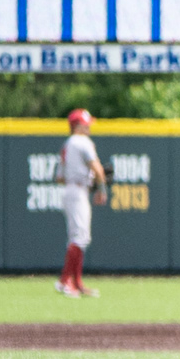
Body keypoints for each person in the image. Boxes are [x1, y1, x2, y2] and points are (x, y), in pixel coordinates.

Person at [54, 107, 105, 297]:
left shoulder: (68, 144)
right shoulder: (83, 142)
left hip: (70, 190)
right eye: (86, 124)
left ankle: (76, 282)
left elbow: (59, 177)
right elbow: (97, 168)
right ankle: (65, 282)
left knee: (77, 237)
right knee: (79, 237)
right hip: (78, 191)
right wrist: (101, 188)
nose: (89, 127)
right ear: (77, 126)